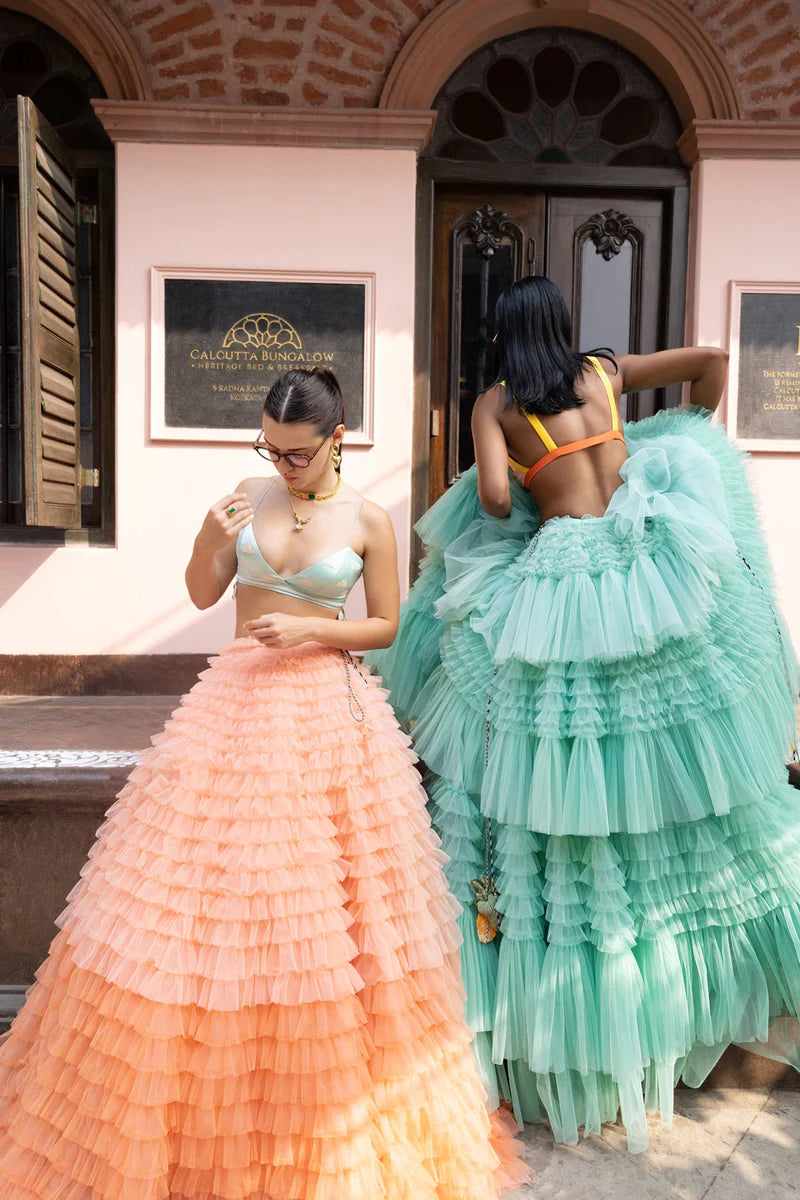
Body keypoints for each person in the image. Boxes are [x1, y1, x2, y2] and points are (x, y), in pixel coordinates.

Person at [0, 367, 529, 1199]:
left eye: (296, 453)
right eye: (269, 449)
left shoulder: (367, 519)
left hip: (324, 714)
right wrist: (211, 540)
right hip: (232, 705)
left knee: (315, 913)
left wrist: (316, 630)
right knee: (198, 902)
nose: (280, 465)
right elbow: (204, 591)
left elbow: (387, 621)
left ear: (337, 440)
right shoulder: (247, 492)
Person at [368, 276, 800, 1154]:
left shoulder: (498, 400)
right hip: (647, 553)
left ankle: (573, 996)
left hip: (564, 572)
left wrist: (524, 469)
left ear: (502, 332)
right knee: (664, 750)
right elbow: (715, 364)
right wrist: (666, 436)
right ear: (564, 328)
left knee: (552, 758)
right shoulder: (602, 372)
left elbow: (492, 501)